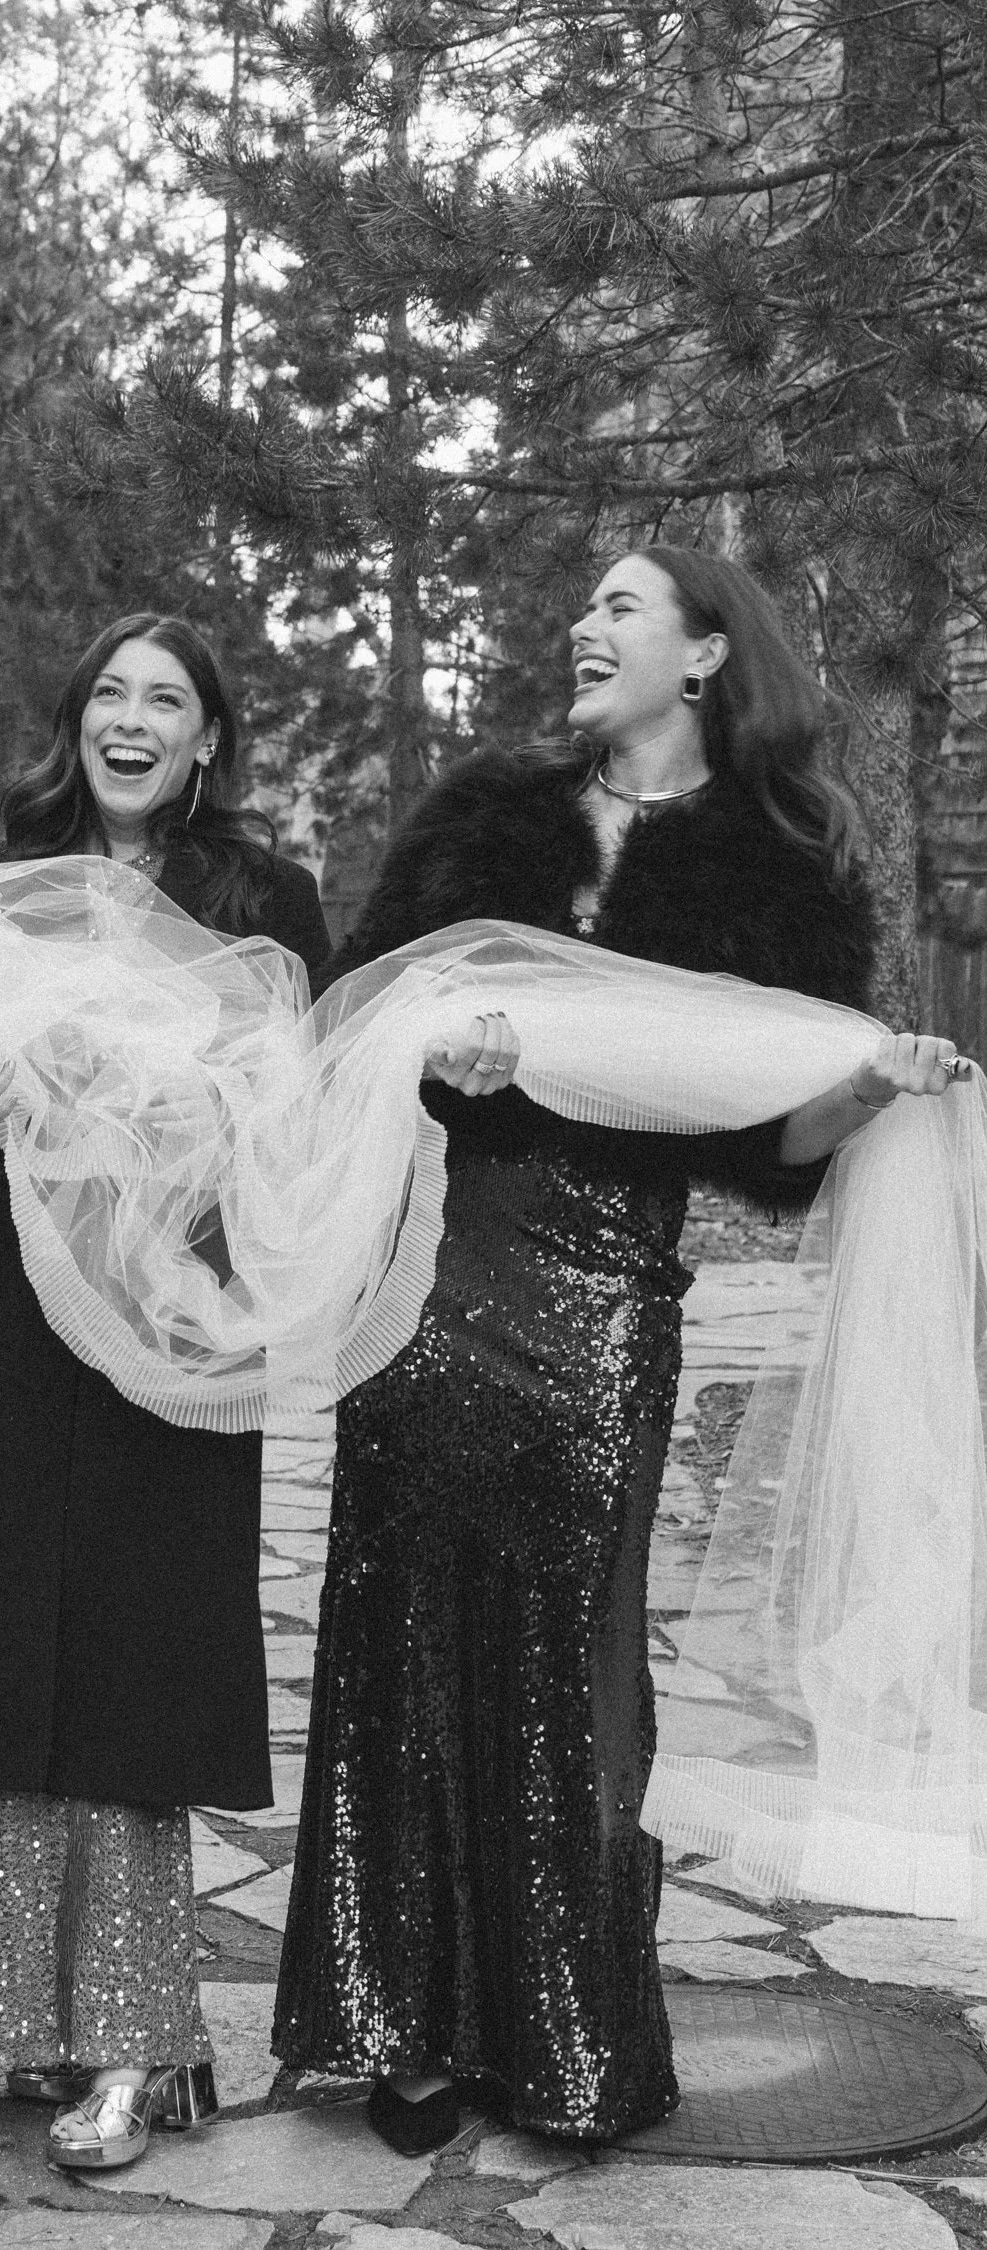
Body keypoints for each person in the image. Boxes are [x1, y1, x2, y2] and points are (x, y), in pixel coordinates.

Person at [272, 545, 961, 2152]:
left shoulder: (788, 861)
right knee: (401, 1629)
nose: (584, 624)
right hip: (433, 1275)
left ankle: (572, 2039)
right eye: (578, 602)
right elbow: (358, 1024)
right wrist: (450, 1056)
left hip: (603, 1292)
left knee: (574, 1663)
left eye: (623, 606)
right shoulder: (479, 813)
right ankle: (410, 2027)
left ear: (709, 653)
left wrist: (866, 1088)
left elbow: (770, 1153)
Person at [0, 612, 341, 2170]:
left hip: (173, 1314)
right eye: (110, 690)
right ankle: (13, 2021)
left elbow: (288, 1104)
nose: (131, 716)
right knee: (11, 1648)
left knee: (140, 1657)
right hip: (9, 1313)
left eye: (166, 698)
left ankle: (136, 2041)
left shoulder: (263, 897)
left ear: (209, 741)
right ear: (77, 720)